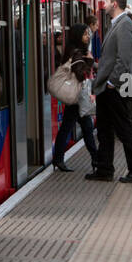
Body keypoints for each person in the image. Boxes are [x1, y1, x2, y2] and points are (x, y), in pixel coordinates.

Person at [88, 0, 132, 183]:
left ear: (114, 4)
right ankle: (105, 169)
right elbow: (112, 58)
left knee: (124, 128)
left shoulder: (125, 24)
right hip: (106, 86)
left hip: (115, 87)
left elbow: (125, 58)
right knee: (104, 129)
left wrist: (112, 82)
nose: (103, 4)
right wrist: (95, 65)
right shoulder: (117, 24)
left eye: (106, 0)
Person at [51, 22, 98, 172]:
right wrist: (90, 61)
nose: (87, 36)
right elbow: (79, 72)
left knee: (69, 127)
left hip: (75, 97)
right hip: (78, 96)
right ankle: (96, 160)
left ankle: (58, 159)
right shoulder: (78, 52)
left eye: (88, 33)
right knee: (86, 128)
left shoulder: (73, 50)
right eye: (85, 34)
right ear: (78, 36)